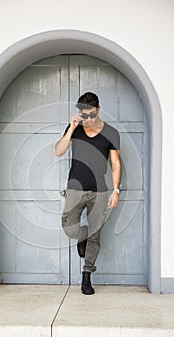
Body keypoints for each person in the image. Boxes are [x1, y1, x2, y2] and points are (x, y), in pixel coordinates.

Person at [55, 92, 121, 295]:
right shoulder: (74, 129)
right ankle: (81, 236)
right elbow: (59, 151)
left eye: (92, 114)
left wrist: (116, 190)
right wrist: (72, 129)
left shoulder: (111, 133)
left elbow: (116, 164)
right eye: (85, 115)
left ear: (98, 110)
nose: (89, 119)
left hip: (100, 192)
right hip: (75, 189)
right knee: (70, 228)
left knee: (96, 235)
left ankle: (87, 275)